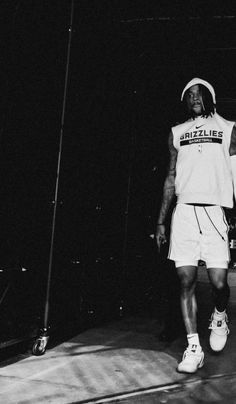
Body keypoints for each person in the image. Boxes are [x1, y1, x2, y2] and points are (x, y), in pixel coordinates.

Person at [156, 77, 236, 373]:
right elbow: (170, 177)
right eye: (189, 94)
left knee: (218, 283)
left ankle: (219, 314)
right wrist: (161, 220)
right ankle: (193, 347)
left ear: (211, 97)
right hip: (185, 213)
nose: (194, 97)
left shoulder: (228, 128)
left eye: (199, 93)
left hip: (214, 213)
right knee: (186, 279)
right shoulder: (177, 133)